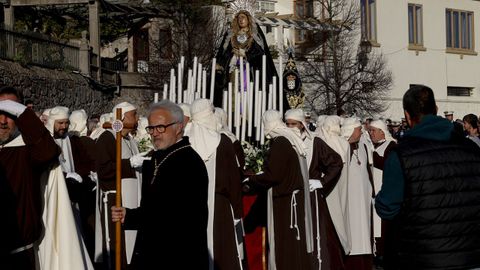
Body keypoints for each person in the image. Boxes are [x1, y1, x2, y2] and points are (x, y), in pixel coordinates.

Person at [375, 85, 480, 269]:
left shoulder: (401, 155)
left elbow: (387, 208)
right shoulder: (472, 150)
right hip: (469, 257)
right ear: (436, 110)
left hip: (421, 258)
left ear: (407, 116)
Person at [111, 100, 209, 269]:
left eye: (160, 127)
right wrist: (128, 215)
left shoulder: (189, 163)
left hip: (176, 254)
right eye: (151, 128)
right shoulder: (159, 157)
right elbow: (153, 207)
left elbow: (173, 214)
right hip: (153, 250)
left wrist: (135, 218)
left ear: (178, 127)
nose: (155, 133)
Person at [244, 110, 313, 270]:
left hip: (284, 203)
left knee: (284, 246)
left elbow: (273, 175)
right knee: (293, 245)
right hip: (291, 200)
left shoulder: (281, 141)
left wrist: (251, 179)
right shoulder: (289, 138)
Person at [0, 87, 60, 269]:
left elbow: (49, 152)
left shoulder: (27, 149)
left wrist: (23, 113)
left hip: (20, 253)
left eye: (10, 113)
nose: (3, 121)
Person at [285, 109, 344, 270]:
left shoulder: (315, 142)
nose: (291, 127)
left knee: (314, 234)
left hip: (311, 197)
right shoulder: (282, 141)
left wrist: (322, 182)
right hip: (291, 197)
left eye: (294, 124)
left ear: (302, 125)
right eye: (288, 124)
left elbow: (336, 162)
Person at [189, 99, 244, 270]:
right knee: (222, 253)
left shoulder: (183, 141)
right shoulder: (223, 142)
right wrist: (237, 211)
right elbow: (233, 180)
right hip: (219, 206)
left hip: (189, 206)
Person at [96, 102, 146, 267]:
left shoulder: (129, 139)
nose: (137, 118)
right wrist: (128, 163)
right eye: (134, 115)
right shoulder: (107, 137)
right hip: (116, 200)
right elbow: (103, 170)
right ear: (123, 117)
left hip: (131, 198)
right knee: (119, 244)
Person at [213, 9, 280, 109]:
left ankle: (248, 114)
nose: (241, 20)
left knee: (248, 94)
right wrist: (225, 60)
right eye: (239, 18)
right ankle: (233, 113)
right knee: (233, 92)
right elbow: (224, 52)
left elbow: (260, 52)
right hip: (234, 70)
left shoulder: (254, 34)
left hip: (249, 71)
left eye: (243, 17)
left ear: (248, 19)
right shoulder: (232, 35)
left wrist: (246, 54)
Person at [341, 118, 374, 270]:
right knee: (352, 233)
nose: (362, 132)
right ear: (351, 130)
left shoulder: (363, 145)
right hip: (349, 199)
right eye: (359, 130)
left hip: (362, 197)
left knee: (363, 232)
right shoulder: (341, 145)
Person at [368, 120, 396, 266]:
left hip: (383, 192)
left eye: (373, 130)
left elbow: (387, 163)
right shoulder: (372, 145)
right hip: (372, 191)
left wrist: (370, 154)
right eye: (370, 130)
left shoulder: (391, 145)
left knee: (383, 226)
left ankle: (383, 254)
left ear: (382, 132)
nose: (370, 133)